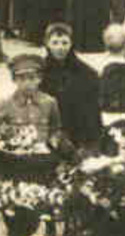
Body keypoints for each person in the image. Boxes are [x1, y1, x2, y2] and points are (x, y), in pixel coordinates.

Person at [0, 53, 66, 236]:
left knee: (32, 221)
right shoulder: (5, 105)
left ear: (39, 79)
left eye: (32, 78)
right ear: (14, 80)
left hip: (40, 170)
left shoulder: (50, 103)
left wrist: (57, 145)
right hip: (15, 171)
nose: (27, 83)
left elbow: (55, 129)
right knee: (16, 221)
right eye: (21, 79)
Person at [41, 21, 104, 153]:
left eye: (64, 43)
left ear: (71, 44)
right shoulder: (41, 71)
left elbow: (92, 108)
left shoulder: (86, 72)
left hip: (77, 127)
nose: (60, 48)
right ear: (47, 44)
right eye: (55, 43)